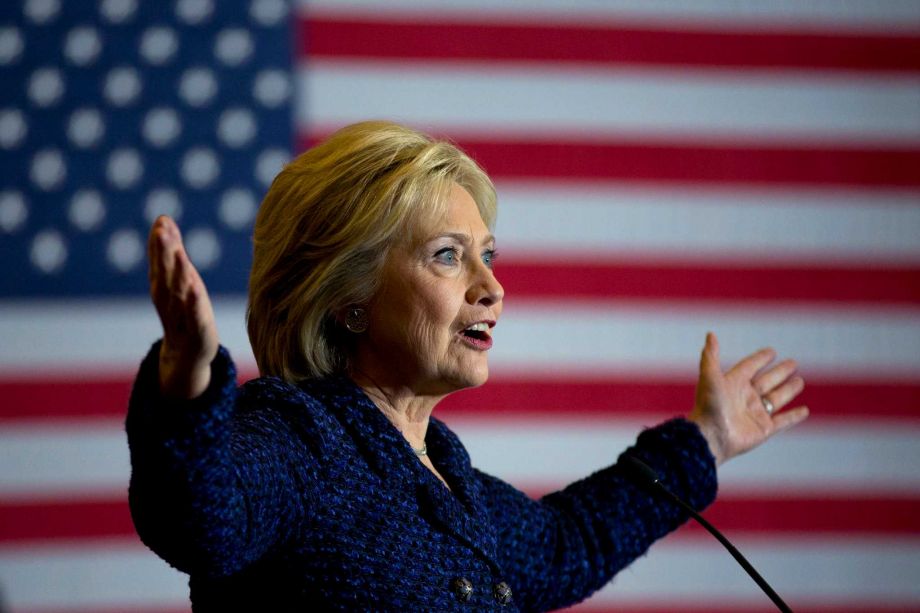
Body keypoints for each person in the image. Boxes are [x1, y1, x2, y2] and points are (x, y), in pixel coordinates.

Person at [127, 121, 809, 611]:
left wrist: (706, 440)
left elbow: (570, 541)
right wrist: (187, 381)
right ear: (350, 299)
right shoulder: (295, 441)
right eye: (448, 255)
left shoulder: (455, 486)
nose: (492, 287)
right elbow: (200, 517)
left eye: (489, 255)